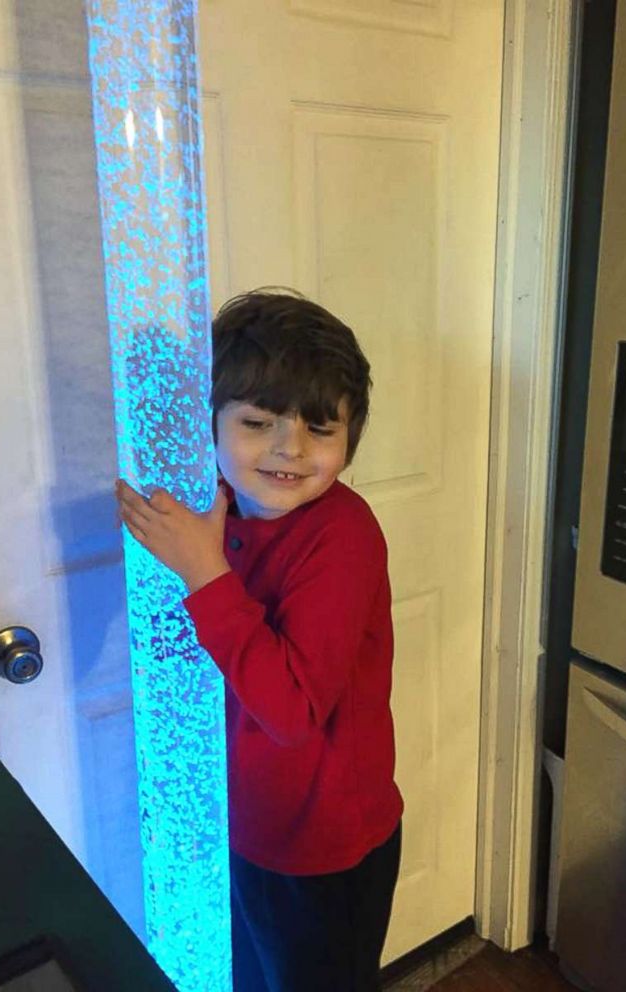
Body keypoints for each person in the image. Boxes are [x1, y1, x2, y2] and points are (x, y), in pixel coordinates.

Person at [116, 289, 404, 992]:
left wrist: (205, 571)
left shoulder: (342, 535)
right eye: (256, 421)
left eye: (319, 426)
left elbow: (292, 711)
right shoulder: (213, 509)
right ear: (211, 425)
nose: (290, 448)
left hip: (324, 849)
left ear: (351, 437)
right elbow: (195, 654)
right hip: (241, 827)